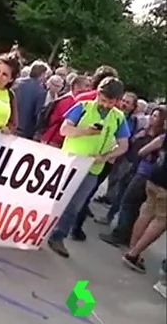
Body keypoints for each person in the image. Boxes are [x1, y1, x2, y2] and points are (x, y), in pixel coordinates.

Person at [46, 77, 130, 258]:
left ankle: (58, 236)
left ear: (117, 101)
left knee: (75, 205)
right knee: (54, 196)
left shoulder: (118, 118)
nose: (105, 105)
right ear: (98, 94)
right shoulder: (82, 107)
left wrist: (106, 157)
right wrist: (85, 131)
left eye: (110, 102)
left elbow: (124, 145)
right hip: (70, 162)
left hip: (92, 168)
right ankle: (37, 229)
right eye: (103, 100)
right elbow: (64, 130)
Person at [99, 106, 167, 245]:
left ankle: (121, 235)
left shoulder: (161, 137)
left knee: (129, 203)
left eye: (156, 116)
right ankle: (131, 242)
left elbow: (143, 151)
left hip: (146, 173)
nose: (152, 119)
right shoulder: (146, 132)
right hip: (141, 170)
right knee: (138, 207)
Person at [121, 129, 167, 273]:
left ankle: (133, 250)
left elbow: (143, 151)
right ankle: (133, 254)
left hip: (155, 177)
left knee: (145, 212)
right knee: (161, 220)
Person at [12, 60, 50, 139]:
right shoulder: (41, 91)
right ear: (42, 74)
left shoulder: (17, 82)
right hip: (25, 129)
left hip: (9, 122)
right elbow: (38, 113)